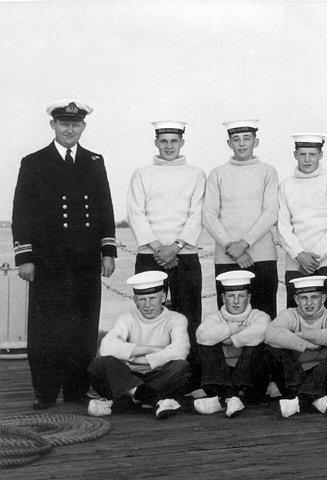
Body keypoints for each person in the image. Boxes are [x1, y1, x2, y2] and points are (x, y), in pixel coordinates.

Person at [12, 99, 117, 409]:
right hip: (48, 261)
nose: (70, 128)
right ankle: (44, 393)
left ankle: (75, 390)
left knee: (83, 328)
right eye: (64, 123)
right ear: (53, 125)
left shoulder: (94, 161)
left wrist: (108, 251)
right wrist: (24, 256)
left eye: (76, 124)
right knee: (47, 329)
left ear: (83, 126)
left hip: (85, 260)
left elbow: (104, 208)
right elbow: (22, 212)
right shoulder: (34, 162)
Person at [126, 120, 206, 383]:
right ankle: (145, 375)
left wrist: (177, 247)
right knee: (147, 317)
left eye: (174, 141)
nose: (169, 146)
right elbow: (136, 213)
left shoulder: (196, 174)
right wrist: (159, 248)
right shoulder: (141, 174)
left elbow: (197, 213)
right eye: (164, 141)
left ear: (182, 142)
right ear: (156, 143)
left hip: (184, 254)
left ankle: (189, 379)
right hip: (151, 254)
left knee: (189, 317)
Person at [87, 271, 191, 419]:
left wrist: (134, 357)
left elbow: (180, 351)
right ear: (135, 299)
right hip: (128, 374)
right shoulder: (127, 318)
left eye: (152, 298)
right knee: (99, 363)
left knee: (181, 367)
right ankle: (154, 400)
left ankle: (126, 399)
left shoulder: (176, 319)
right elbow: (106, 347)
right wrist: (150, 349)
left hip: (155, 376)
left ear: (162, 297)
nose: (147, 305)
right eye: (142, 299)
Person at [203, 119, 279, 318]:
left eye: (247, 138)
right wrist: (231, 246)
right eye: (236, 139)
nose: (242, 143)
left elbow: (271, 212)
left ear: (256, 141)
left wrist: (244, 244)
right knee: (230, 315)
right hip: (226, 256)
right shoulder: (217, 173)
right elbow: (209, 215)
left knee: (265, 313)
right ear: (229, 143)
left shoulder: (268, 172)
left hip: (263, 256)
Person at [277, 133, 327, 317]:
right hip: (296, 265)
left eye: (312, 154)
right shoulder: (286, 185)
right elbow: (283, 227)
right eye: (302, 154)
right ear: (295, 155)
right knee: (297, 320)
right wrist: (299, 255)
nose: (307, 159)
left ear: (320, 154)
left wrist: (313, 259)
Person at [263, 276, 327, 418]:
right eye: (303, 298)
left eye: (314, 297)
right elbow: (271, 334)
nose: (309, 303)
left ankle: (299, 401)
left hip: (322, 378)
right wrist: (306, 344)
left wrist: (301, 334)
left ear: (324, 298)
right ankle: (312, 399)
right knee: (272, 348)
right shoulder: (290, 314)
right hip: (294, 378)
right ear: (296, 300)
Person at [193, 270, 271, 418]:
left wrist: (230, 340)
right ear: (223, 298)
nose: (236, 301)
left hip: (250, 384)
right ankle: (230, 397)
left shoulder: (258, 315)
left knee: (256, 344)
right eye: (230, 296)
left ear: (248, 298)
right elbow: (201, 336)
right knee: (206, 344)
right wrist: (234, 328)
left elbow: (262, 330)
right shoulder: (214, 317)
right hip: (223, 376)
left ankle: (225, 398)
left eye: (241, 296)